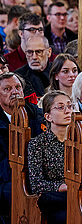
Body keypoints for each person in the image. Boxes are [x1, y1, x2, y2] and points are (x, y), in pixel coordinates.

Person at [0, 73, 43, 219]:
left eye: (18, 87)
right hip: (6, 180)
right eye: (7, 89)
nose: (14, 92)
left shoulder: (37, 115)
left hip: (37, 175)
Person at [27, 90, 72, 224]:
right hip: (55, 200)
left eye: (69, 106)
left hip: (79, 195)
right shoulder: (37, 144)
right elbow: (36, 184)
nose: (67, 111)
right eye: (60, 107)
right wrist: (63, 186)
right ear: (48, 116)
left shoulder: (79, 141)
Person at [15, 35, 53, 100]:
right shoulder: (17, 77)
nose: (34, 57)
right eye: (30, 52)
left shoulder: (59, 71)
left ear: (49, 52)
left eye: (39, 52)